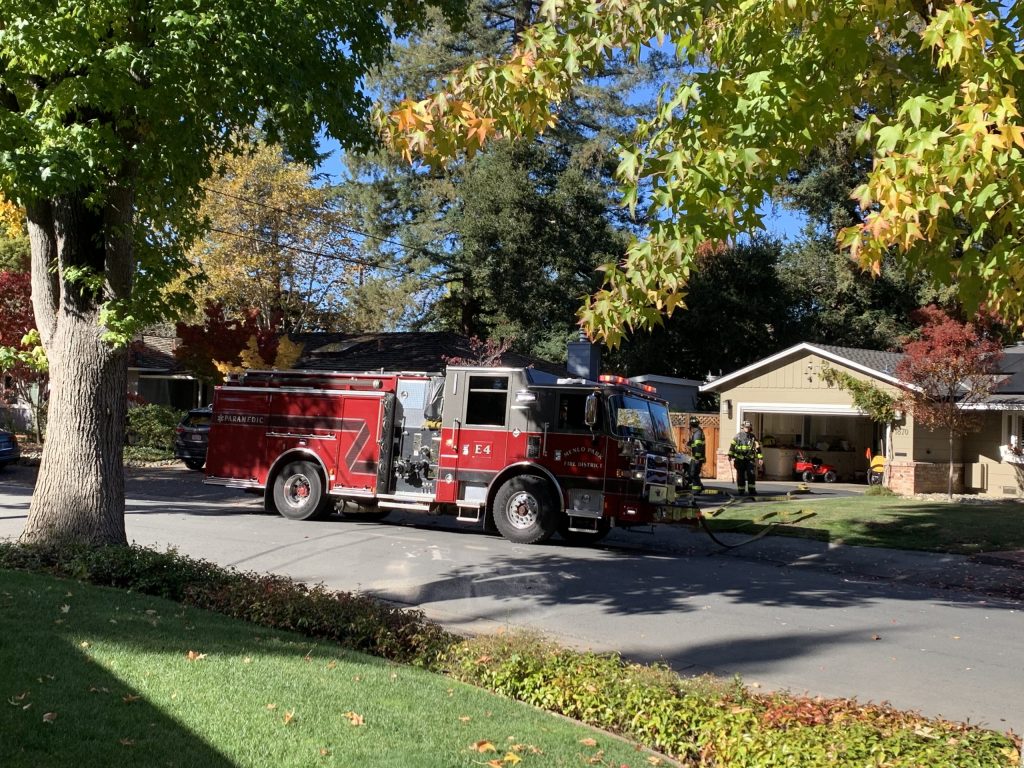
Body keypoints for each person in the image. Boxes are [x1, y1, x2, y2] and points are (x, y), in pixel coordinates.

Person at [728, 419, 763, 496]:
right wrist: (730, 455)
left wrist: (760, 458)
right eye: (746, 427)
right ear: (743, 427)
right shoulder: (737, 436)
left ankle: (752, 490)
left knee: (751, 474)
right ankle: (741, 490)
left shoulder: (753, 437)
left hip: (750, 459)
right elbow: (732, 447)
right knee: (740, 475)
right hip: (740, 459)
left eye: (749, 427)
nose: (747, 428)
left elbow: (758, 448)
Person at [686, 415, 705, 491]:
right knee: (694, 473)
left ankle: (696, 490)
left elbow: (698, 446)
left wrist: (697, 458)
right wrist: (690, 443)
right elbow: (695, 444)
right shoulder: (698, 432)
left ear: (691, 425)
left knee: (693, 473)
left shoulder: (697, 434)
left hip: (697, 458)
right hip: (697, 457)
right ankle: (701, 487)